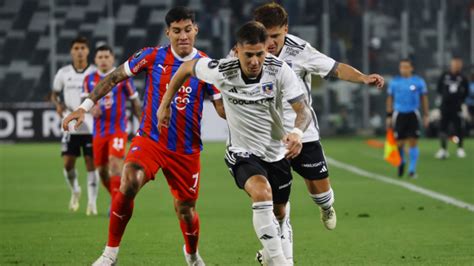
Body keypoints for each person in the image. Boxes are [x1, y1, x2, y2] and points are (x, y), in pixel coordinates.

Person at [62, 7, 224, 266]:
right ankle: (110, 254)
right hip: (151, 139)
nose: (183, 36)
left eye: (187, 30)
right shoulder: (152, 56)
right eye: (177, 31)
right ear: (168, 32)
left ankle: (192, 255)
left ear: (196, 30)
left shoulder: (207, 66)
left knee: (186, 209)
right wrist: (83, 107)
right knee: (128, 181)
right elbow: (114, 77)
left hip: (185, 150)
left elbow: (221, 109)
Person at [158, 21, 312, 266]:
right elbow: (186, 67)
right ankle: (283, 262)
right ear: (237, 50)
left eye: (259, 54)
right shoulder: (222, 69)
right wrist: (165, 103)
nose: (254, 61)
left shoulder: (280, 70)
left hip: (275, 152)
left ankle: (270, 254)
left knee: (280, 212)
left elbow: (303, 110)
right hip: (241, 152)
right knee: (262, 194)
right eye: (248, 55)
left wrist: (296, 133)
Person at [252, 1, 384, 235]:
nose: (269, 43)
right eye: (265, 35)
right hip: (269, 137)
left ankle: (326, 207)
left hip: (303, 132)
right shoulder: (247, 50)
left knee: (320, 193)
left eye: (275, 36)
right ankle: (276, 244)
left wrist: (363, 77)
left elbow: (335, 68)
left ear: (286, 29)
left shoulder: (300, 50)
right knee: (275, 200)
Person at [82, 45, 141, 205]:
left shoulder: (122, 77)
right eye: (100, 57)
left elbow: (135, 101)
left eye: (106, 57)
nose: (103, 60)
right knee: (102, 171)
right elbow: (86, 102)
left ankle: (117, 204)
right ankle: (116, 197)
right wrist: (92, 108)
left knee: (115, 165)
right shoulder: (88, 80)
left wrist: (142, 123)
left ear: (112, 58)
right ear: (95, 60)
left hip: (118, 129)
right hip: (99, 132)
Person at [50, 36, 99, 215]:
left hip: (92, 126)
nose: (79, 51)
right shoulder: (63, 73)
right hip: (71, 126)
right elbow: (54, 94)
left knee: (91, 164)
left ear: (87, 51)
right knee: (68, 164)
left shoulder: (94, 72)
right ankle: (75, 190)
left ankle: (92, 203)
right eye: (76, 48)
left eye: (82, 48)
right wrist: (57, 105)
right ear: (72, 51)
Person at [386, 59, 429, 178]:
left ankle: (412, 170)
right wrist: (389, 115)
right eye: (402, 67)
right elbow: (390, 98)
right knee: (399, 143)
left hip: (413, 114)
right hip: (399, 114)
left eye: (406, 67)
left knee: (413, 141)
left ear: (411, 68)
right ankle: (402, 162)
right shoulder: (395, 82)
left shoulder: (419, 82)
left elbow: (424, 98)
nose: (404, 69)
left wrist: (426, 114)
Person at [435, 57, 469, 159]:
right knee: (443, 128)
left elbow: (466, 91)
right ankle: (443, 149)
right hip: (445, 107)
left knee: (459, 128)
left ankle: (460, 149)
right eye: (455, 63)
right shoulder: (445, 75)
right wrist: (445, 97)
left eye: (458, 63)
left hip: (457, 107)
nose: (456, 65)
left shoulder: (463, 77)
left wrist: (460, 101)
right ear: (451, 64)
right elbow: (439, 88)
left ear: (461, 65)